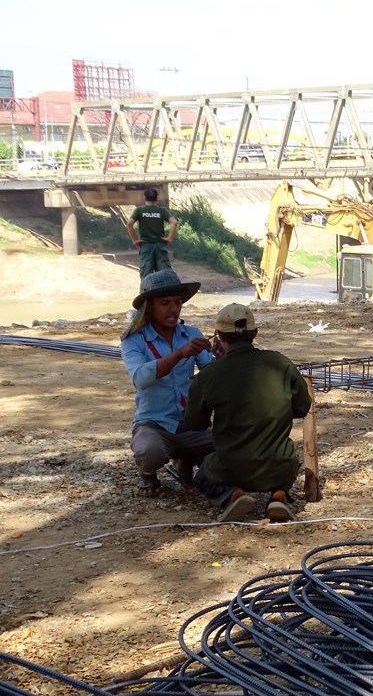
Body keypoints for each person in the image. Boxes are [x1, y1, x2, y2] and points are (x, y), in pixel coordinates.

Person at [184, 303, 313, 523]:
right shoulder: (280, 363)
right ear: (255, 333)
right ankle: (279, 495)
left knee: (204, 474)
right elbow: (302, 407)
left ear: (219, 338)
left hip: (231, 469)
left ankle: (234, 495)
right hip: (279, 466)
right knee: (286, 454)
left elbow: (195, 424)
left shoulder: (208, 376)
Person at [120, 269, 216, 497]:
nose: (173, 309)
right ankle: (148, 473)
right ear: (149, 307)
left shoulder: (191, 334)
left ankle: (186, 463)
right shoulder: (133, 341)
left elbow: (210, 374)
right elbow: (141, 379)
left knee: (229, 444)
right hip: (155, 424)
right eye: (165, 303)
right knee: (149, 450)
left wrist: (222, 358)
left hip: (191, 423)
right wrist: (180, 354)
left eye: (178, 302)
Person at [128, 187, 178, 278]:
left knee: (147, 276)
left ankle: (147, 291)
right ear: (156, 198)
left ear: (145, 198)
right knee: (164, 275)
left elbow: (129, 223)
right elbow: (174, 222)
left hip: (146, 246)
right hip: (160, 245)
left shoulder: (140, 210)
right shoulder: (161, 210)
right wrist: (169, 238)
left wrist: (135, 240)